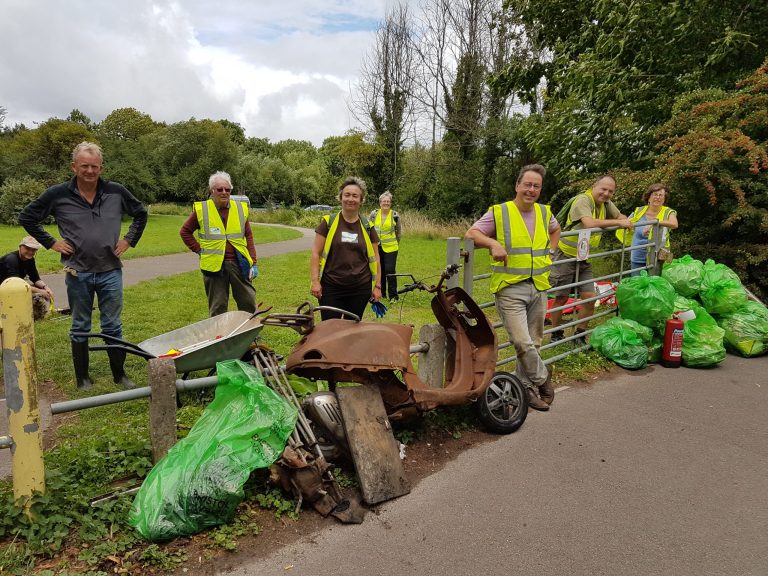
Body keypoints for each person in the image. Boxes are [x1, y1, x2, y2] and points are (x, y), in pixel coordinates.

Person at [19, 141, 148, 390]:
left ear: (101, 167)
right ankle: (83, 379)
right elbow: (27, 216)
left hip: (110, 270)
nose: (90, 171)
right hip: (78, 272)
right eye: (84, 166)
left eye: (95, 166)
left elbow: (141, 213)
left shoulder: (116, 191)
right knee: (80, 324)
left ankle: (119, 375)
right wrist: (52, 242)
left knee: (113, 324)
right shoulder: (58, 194)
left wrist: (129, 240)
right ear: (74, 166)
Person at [465, 164, 561, 411]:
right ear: (517, 185)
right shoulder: (500, 212)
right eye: (527, 184)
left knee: (535, 341)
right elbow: (471, 234)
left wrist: (551, 251)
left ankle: (526, 389)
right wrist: (492, 243)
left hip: (539, 285)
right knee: (521, 341)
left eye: (536, 186)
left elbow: (555, 229)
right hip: (510, 288)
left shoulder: (544, 212)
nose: (531, 190)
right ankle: (543, 378)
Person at [549, 175, 633, 345]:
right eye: (603, 189)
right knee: (561, 298)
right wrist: (619, 223)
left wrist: (624, 220)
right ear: (594, 186)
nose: (606, 193)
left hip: (583, 257)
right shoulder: (583, 200)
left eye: (610, 191)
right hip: (565, 255)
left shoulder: (605, 203)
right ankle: (555, 332)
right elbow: (588, 223)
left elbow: (620, 216)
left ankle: (579, 334)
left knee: (589, 297)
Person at [180, 171, 258, 317]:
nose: (224, 192)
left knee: (247, 301)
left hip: (239, 262)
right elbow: (185, 232)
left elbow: (249, 235)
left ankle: (251, 333)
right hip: (214, 265)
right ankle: (219, 336)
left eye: (227, 189)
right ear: (212, 191)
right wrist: (199, 250)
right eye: (219, 189)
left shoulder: (241, 208)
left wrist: (253, 262)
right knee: (218, 306)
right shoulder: (202, 209)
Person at [310, 177, 382, 321]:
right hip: (331, 287)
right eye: (347, 195)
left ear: (361, 200)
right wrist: (315, 281)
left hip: (360, 288)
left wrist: (378, 287)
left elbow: (376, 258)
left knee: (351, 331)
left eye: (355, 196)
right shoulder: (328, 222)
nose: (350, 199)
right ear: (340, 197)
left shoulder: (368, 227)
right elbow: (315, 253)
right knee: (330, 329)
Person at [616, 183, 678, 276]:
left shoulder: (668, 212)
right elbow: (626, 222)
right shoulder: (639, 211)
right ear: (648, 197)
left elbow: (674, 224)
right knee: (637, 284)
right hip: (637, 254)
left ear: (664, 199)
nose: (658, 197)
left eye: (661, 195)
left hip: (656, 256)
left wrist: (654, 223)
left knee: (653, 286)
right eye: (655, 194)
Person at [0, 236, 55, 321]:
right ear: (20, 247)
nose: (30, 252)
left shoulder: (30, 260)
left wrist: (46, 288)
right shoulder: (11, 260)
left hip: (11, 286)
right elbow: (17, 285)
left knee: (38, 290)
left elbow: (35, 278)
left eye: (33, 249)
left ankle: (36, 315)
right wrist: (41, 292)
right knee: (33, 291)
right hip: (5, 288)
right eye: (27, 248)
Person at [369, 191, 401, 301]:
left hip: (391, 247)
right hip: (377, 247)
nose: (386, 203)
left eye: (388, 201)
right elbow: (369, 229)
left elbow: (398, 233)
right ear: (380, 203)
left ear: (390, 203)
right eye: (384, 201)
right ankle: (381, 293)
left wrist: (396, 243)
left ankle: (393, 296)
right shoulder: (374, 214)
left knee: (390, 271)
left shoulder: (395, 215)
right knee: (379, 271)